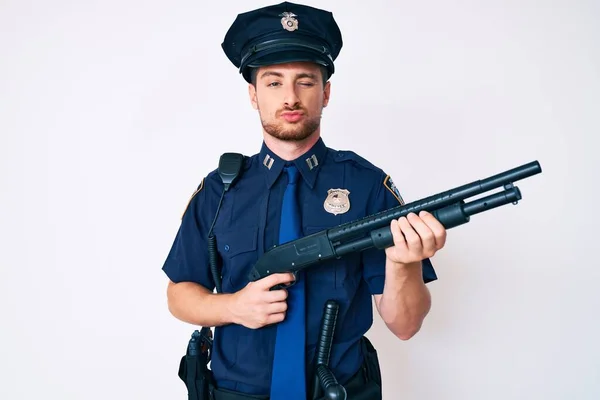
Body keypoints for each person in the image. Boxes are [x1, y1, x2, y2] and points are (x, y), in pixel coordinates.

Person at [162, 2, 447, 399]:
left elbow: (405, 324)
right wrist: (233, 307)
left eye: (306, 81)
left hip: (339, 391)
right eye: (274, 82)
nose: (290, 97)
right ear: (253, 94)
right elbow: (179, 293)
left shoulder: (366, 186)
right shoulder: (219, 189)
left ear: (326, 92)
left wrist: (403, 263)